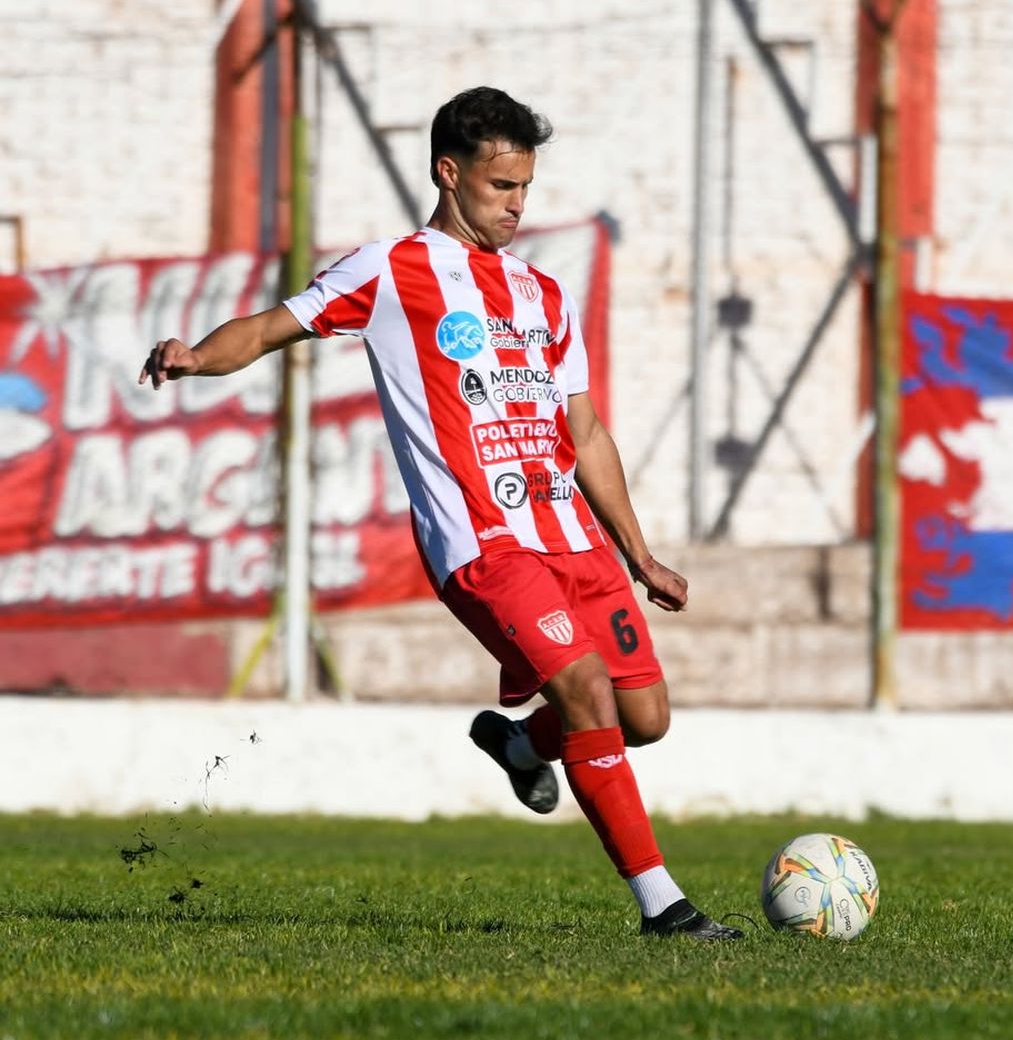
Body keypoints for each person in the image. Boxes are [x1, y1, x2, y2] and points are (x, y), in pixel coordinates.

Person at [140, 86, 742, 941]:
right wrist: (198, 356)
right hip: (482, 542)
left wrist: (638, 554)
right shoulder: (390, 270)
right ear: (449, 174)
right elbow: (277, 325)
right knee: (583, 690)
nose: (518, 206)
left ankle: (524, 746)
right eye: (502, 188)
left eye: (526, 187)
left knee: (643, 718)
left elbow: (587, 430)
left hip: (572, 536)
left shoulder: (543, 293)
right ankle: (665, 908)